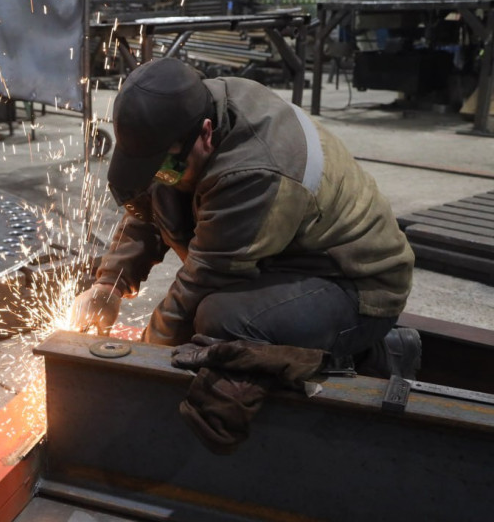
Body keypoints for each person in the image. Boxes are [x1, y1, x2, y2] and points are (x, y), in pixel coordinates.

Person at [70, 58, 419, 377]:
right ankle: (355, 347)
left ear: (206, 132)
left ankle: (371, 356)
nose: (162, 175)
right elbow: (151, 204)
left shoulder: (255, 171)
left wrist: (144, 362)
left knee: (219, 320)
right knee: (172, 186)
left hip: (357, 284)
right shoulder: (189, 113)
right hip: (292, 254)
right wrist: (109, 285)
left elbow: (205, 278)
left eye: (165, 167)